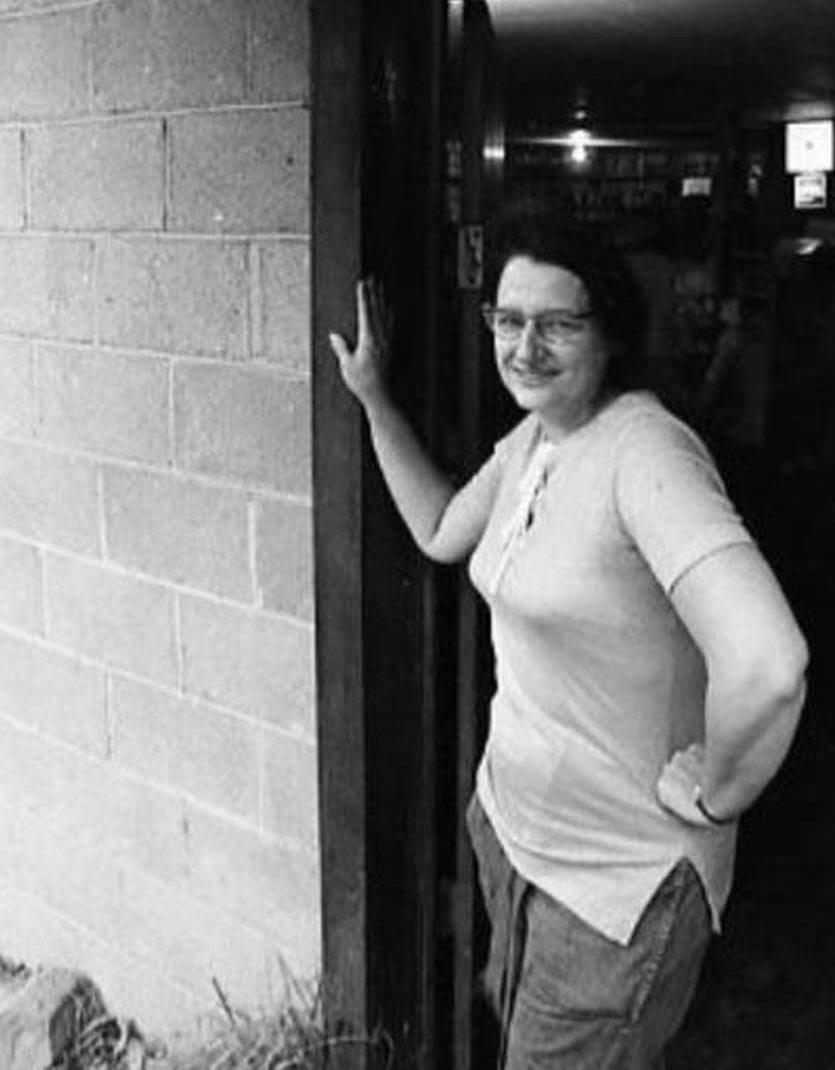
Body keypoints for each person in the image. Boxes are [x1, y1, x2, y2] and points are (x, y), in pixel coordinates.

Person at [329, 210, 809, 1069]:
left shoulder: (647, 454)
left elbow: (770, 663)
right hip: (515, 846)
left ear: (613, 331)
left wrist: (721, 791)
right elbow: (442, 527)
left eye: (558, 323)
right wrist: (373, 396)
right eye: (508, 320)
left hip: (614, 888)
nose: (525, 346)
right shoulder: (535, 440)